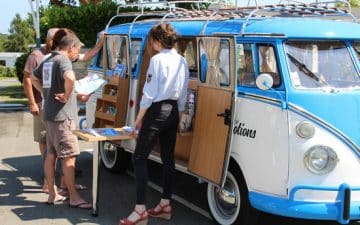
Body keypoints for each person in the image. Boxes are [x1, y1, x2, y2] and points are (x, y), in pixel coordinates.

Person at [119, 23, 189, 225]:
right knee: (168, 158)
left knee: (139, 157)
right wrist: (180, 118)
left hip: (157, 111)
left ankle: (140, 210)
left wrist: (137, 120)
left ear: (157, 41)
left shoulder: (157, 60)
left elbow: (148, 94)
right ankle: (165, 204)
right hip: (174, 111)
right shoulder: (182, 61)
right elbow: (183, 94)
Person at [31, 32, 91, 208]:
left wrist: (48, 93)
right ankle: (74, 197)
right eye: (78, 50)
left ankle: (53, 193)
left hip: (49, 115)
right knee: (69, 157)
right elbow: (70, 78)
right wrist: (66, 95)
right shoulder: (63, 60)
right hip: (62, 117)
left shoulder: (48, 60)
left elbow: (34, 78)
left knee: (51, 155)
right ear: (71, 47)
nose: (77, 54)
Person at [23, 28, 59, 193]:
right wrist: (32, 103)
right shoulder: (35, 56)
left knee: (54, 143)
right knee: (45, 142)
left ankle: (50, 179)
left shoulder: (56, 55)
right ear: (49, 40)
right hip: (40, 104)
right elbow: (27, 80)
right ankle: (48, 181)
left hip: (54, 106)